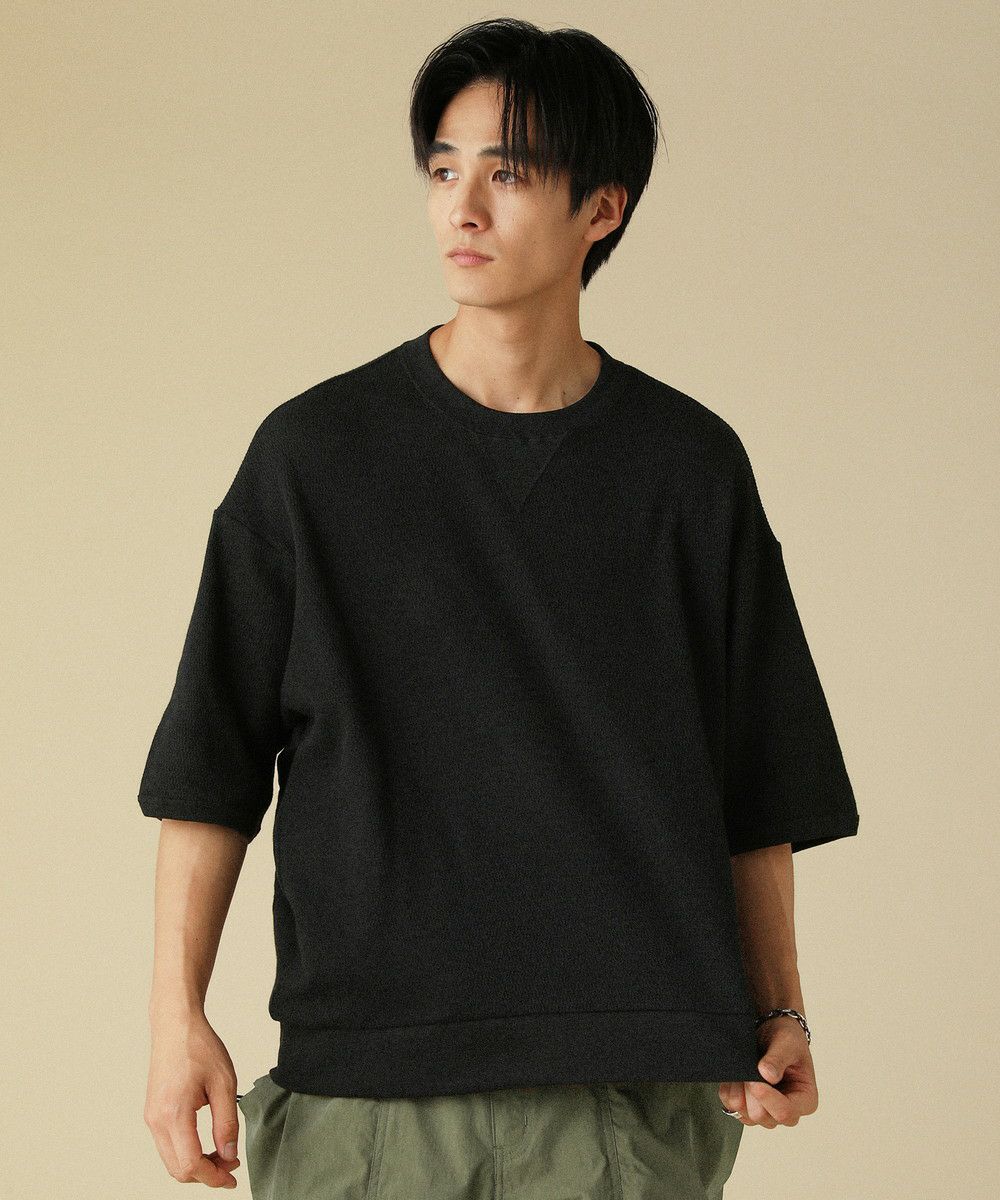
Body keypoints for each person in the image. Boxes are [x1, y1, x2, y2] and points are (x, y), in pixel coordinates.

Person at [139, 17, 859, 1198]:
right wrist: (177, 1020)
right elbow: (209, 768)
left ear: (601, 209)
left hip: (626, 1093)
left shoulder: (687, 468)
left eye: (508, 174)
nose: (461, 208)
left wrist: (781, 1005)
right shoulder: (314, 457)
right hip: (366, 1098)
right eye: (443, 169)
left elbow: (755, 779)